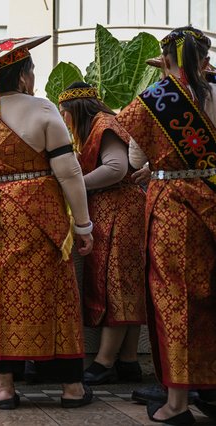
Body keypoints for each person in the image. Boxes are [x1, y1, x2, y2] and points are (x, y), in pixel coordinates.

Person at [0, 36, 94, 410]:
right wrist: (83, 225)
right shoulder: (43, 111)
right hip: (40, 221)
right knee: (55, 296)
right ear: (25, 76)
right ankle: (71, 389)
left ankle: (4, 388)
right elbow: (69, 173)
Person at [117, 26, 216, 424]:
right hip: (212, 199)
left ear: (166, 59)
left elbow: (136, 154)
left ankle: (176, 403)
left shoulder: (155, 100)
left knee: (176, 300)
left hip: (173, 209)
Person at [58, 82, 146, 386]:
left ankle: (105, 361)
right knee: (126, 285)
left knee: (117, 285)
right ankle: (129, 361)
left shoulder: (105, 125)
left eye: (65, 114)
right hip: (116, 211)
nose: (64, 121)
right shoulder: (100, 125)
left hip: (120, 211)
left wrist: (75, 184)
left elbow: (116, 168)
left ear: (76, 111)